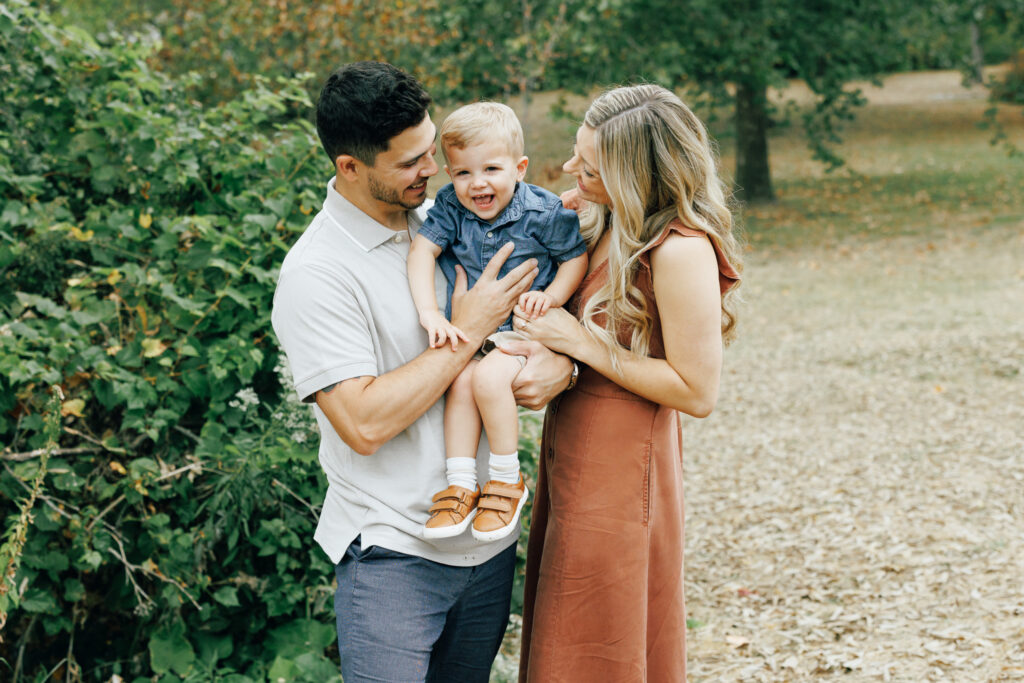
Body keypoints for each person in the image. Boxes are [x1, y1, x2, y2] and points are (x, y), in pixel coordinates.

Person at [270, 61, 574, 683]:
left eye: (431, 150)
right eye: (410, 162)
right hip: (394, 555)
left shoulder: (456, 214)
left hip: (489, 546)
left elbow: (546, 303)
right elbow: (362, 422)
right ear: (349, 167)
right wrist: (468, 330)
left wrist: (561, 366)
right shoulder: (318, 273)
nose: (432, 170)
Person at [511, 84, 743, 681]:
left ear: (639, 177)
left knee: (595, 649)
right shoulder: (611, 221)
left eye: (590, 169)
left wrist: (582, 344)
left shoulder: (679, 251)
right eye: (576, 157)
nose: (570, 170)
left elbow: (698, 392)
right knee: (568, 638)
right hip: (574, 457)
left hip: (620, 479)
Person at [407, 102, 587, 542]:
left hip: (524, 332)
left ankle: (507, 478)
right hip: (477, 331)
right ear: (450, 175)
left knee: (487, 381)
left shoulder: (543, 212)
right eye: (463, 173)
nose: (478, 183)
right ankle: (461, 485)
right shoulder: (450, 207)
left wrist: (551, 298)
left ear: (519, 167)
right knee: (460, 384)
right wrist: (430, 312)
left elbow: (574, 258)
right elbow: (422, 251)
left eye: (491, 168)